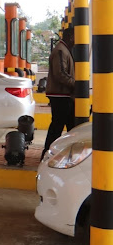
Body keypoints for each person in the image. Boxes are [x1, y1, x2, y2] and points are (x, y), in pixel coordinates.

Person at [42, 27, 75, 159]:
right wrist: (77, 84)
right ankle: (46, 155)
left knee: (70, 127)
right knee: (57, 127)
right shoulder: (61, 51)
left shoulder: (64, 50)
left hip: (64, 95)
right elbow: (60, 74)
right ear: (71, 36)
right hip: (61, 95)